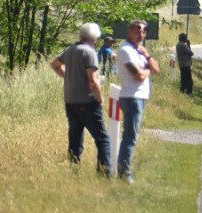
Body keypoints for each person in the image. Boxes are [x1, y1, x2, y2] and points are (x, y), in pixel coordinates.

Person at [51, 22, 111, 176]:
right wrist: (99, 96)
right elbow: (92, 80)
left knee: (75, 137)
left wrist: (69, 76)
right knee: (103, 139)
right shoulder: (89, 52)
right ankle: (104, 173)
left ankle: (73, 170)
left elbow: (55, 65)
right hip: (87, 100)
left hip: (70, 100)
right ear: (95, 37)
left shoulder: (70, 50)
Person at [115, 19, 161, 183]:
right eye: (136, 30)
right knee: (130, 137)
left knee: (131, 135)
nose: (140, 33)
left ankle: (123, 170)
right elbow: (139, 75)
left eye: (143, 31)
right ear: (129, 31)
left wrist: (147, 56)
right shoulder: (125, 50)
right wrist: (147, 69)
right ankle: (124, 172)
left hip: (139, 96)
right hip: (131, 96)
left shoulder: (139, 51)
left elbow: (157, 69)